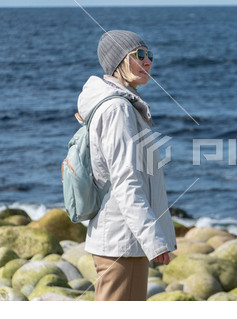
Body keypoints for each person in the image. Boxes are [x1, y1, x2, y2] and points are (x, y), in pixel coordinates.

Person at [76, 30, 177, 301]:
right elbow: (126, 181)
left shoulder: (123, 105)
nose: (148, 62)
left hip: (122, 240)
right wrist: (153, 240)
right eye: (139, 55)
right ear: (118, 61)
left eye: (150, 55)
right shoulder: (117, 110)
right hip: (123, 242)